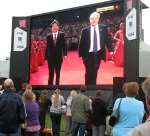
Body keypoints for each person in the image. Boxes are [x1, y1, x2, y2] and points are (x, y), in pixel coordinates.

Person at [78, 12, 113, 85]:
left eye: (95, 18)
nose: (93, 20)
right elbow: (81, 43)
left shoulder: (103, 28)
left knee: (95, 71)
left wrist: (111, 50)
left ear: (98, 19)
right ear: (89, 20)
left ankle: (93, 86)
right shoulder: (85, 30)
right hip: (87, 55)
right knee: (88, 72)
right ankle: (87, 87)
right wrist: (81, 55)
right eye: (91, 19)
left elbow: (107, 39)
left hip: (98, 54)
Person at [45, 19, 67, 85]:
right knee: (51, 73)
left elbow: (64, 45)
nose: (54, 27)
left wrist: (65, 54)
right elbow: (47, 47)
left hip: (58, 58)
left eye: (55, 26)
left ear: (58, 27)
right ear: (51, 28)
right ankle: (49, 86)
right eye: (53, 26)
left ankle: (57, 86)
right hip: (50, 58)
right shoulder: (48, 36)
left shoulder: (62, 34)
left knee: (58, 73)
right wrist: (46, 57)